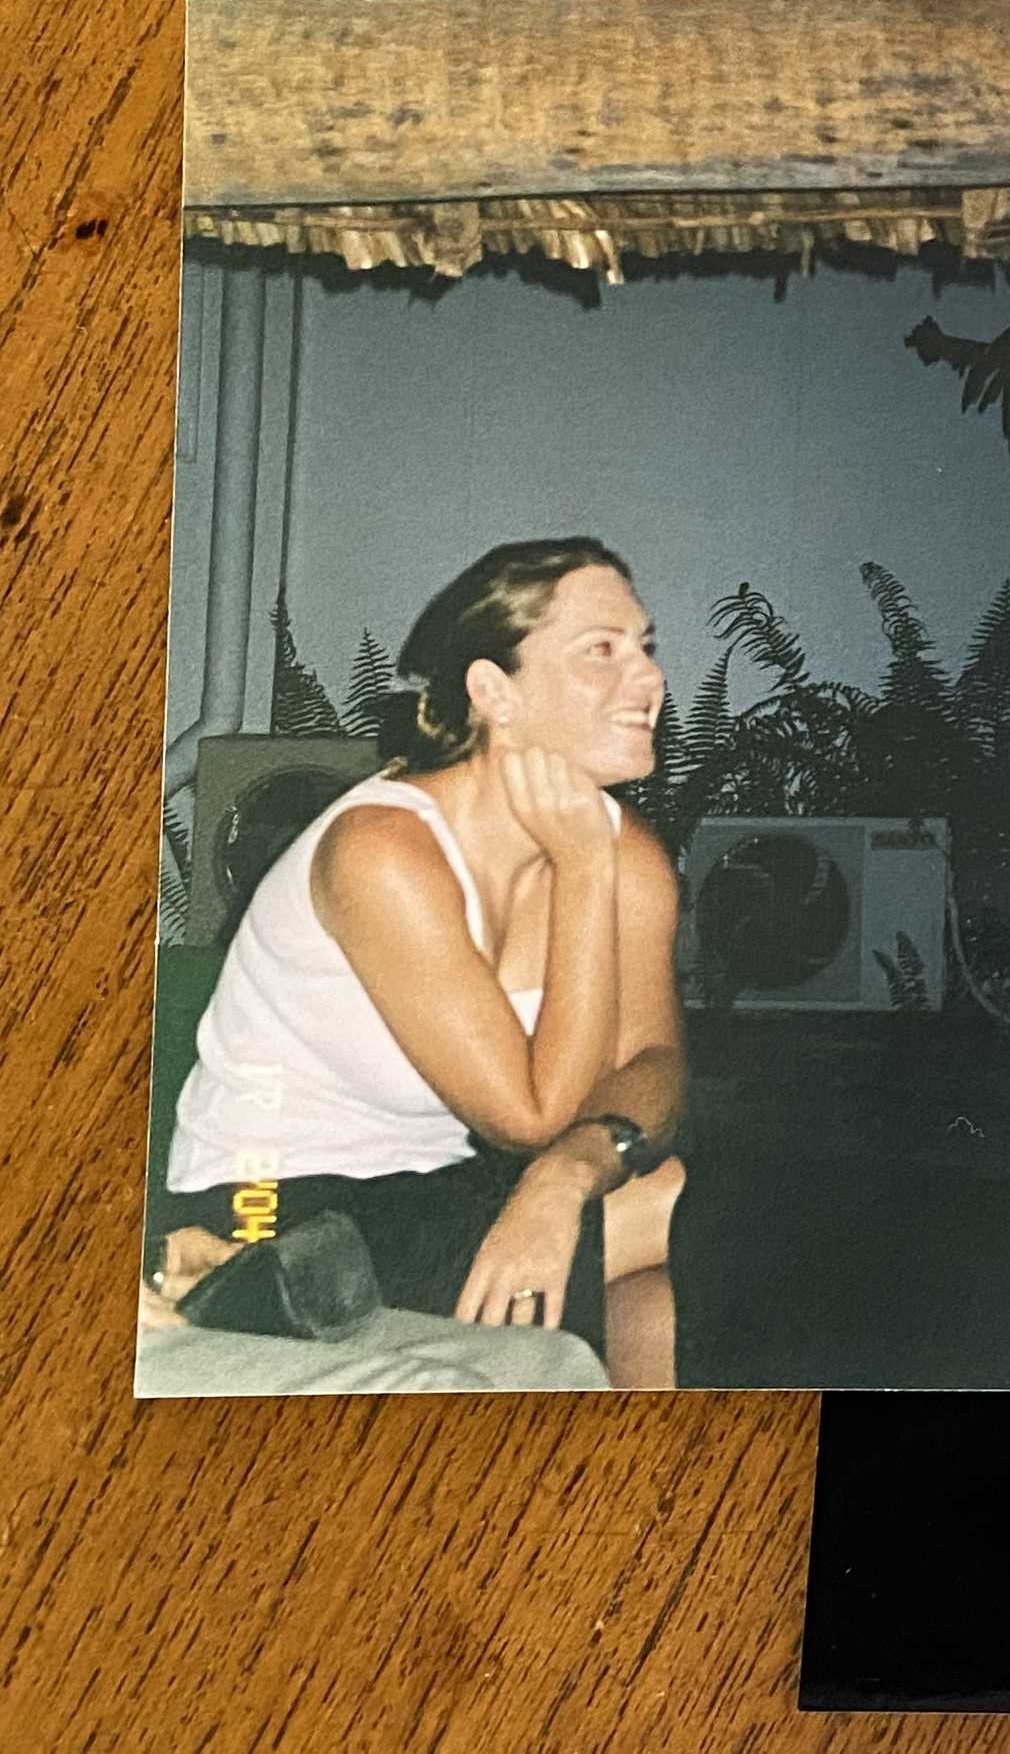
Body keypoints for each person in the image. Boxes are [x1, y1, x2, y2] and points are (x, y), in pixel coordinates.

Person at [154, 538, 690, 1388]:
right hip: (270, 1211)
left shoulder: (633, 858)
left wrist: (572, 1170)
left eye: (646, 647)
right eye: (602, 650)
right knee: (671, 1217)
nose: (651, 678)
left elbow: (653, 1063)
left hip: (439, 1184)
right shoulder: (383, 849)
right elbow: (530, 1115)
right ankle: (224, 1288)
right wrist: (583, 871)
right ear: (492, 693)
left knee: (662, 1277)